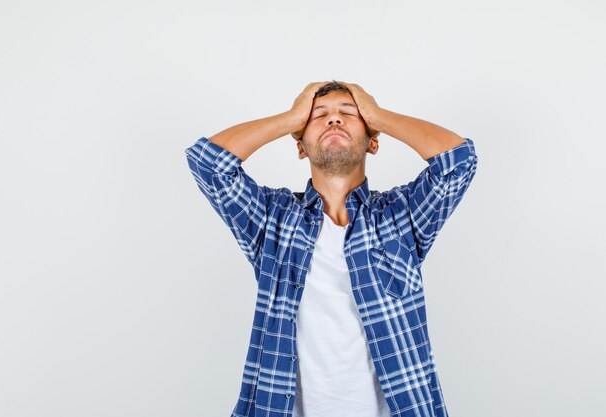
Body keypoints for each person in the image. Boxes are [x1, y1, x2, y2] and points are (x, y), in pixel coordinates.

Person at [185, 80, 478, 417]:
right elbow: (207, 163)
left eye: (349, 114)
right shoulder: (274, 219)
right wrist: (290, 118)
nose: (334, 120)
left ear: (373, 142)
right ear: (300, 147)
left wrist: (378, 115)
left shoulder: (400, 216)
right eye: (319, 115)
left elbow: (459, 161)